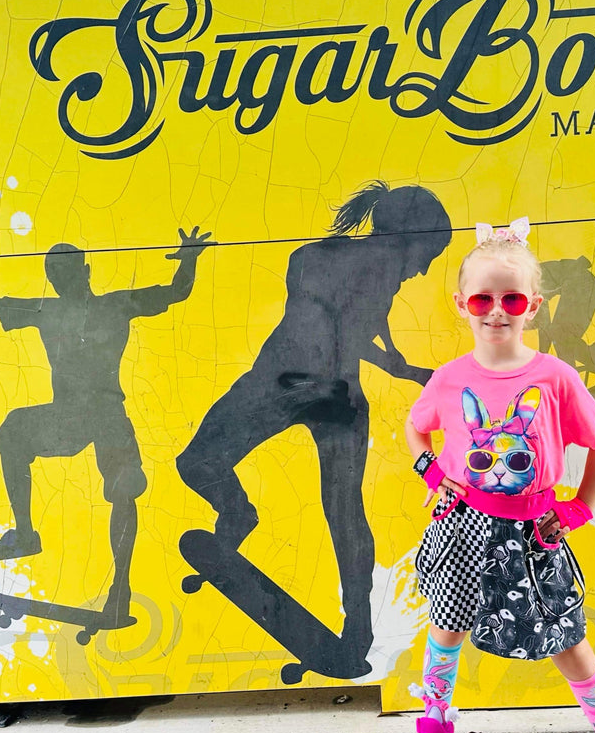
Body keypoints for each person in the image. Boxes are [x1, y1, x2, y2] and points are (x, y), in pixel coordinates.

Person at [403, 219, 595, 733]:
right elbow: (416, 427)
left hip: (533, 537)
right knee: (446, 631)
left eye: (512, 299)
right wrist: (431, 472)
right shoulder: (449, 379)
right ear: (461, 304)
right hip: (461, 531)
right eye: (482, 299)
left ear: (534, 306)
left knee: (570, 642)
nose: (496, 310)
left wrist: (579, 507)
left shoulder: (554, 376)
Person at [177, 182, 451, 677]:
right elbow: (345, 323)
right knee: (340, 509)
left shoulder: (334, 260)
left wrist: (401, 368)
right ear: (407, 236)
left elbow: (353, 323)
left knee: (203, 464)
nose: (423, 269)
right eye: (427, 255)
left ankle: (239, 515)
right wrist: (395, 366)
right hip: (303, 388)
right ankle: (355, 626)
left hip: (298, 385)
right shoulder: (363, 265)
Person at [0, 228, 214, 623]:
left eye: (64, 271)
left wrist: (189, 257)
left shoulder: (113, 305)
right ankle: (25, 534)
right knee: (13, 430)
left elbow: (176, 292)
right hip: (68, 417)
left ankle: (120, 590)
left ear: (85, 271)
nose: (58, 280)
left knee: (124, 489)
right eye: (53, 274)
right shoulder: (48, 311)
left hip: (105, 414)